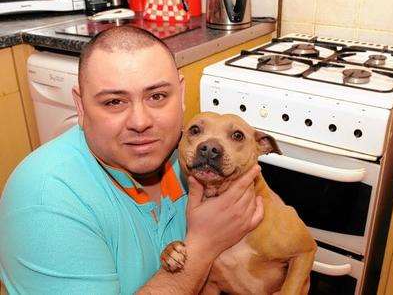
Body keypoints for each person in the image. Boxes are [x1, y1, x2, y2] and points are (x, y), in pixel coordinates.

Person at [0, 25, 264, 294]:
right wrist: (204, 245)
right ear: (80, 107)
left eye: (157, 96)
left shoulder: (195, 156)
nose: (140, 122)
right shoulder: (45, 198)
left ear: (181, 95)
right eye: (114, 102)